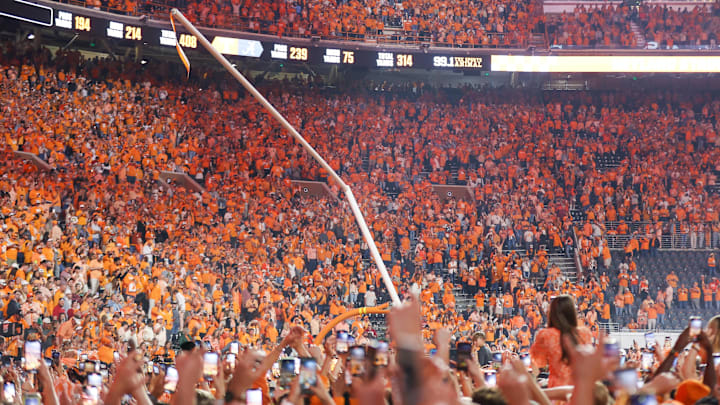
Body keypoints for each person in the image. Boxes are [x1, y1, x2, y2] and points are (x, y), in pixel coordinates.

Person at [530, 295, 592, 387]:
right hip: (580, 390)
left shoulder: (546, 335)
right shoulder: (585, 334)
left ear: (552, 313)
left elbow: (536, 364)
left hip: (556, 391)